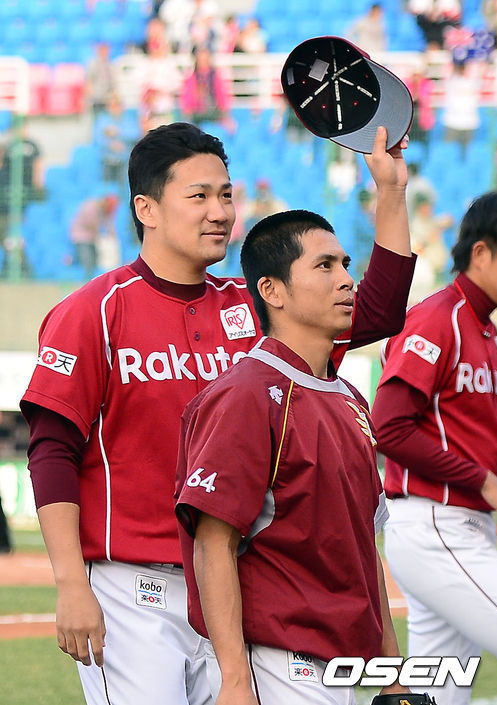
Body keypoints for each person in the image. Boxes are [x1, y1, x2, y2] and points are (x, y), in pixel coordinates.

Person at [20, 122, 414, 705]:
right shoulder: (94, 310)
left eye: (226, 195)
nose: (220, 212)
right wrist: (70, 582)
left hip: (236, 589)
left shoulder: (255, 308)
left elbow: (377, 312)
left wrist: (391, 192)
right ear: (147, 209)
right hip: (135, 588)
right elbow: (52, 450)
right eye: (199, 196)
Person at [174, 157, 412, 702]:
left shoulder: (348, 397)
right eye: (324, 266)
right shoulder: (246, 394)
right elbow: (213, 545)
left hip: (341, 668)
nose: (347, 279)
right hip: (278, 666)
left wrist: (392, 676)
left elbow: (363, 553)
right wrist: (236, 679)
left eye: (345, 263)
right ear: (273, 291)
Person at [372, 192, 497, 705]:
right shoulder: (438, 317)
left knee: (439, 697)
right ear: (482, 253)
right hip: (435, 526)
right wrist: (481, 480)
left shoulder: (487, 334)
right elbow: (388, 427)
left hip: (461, 528)